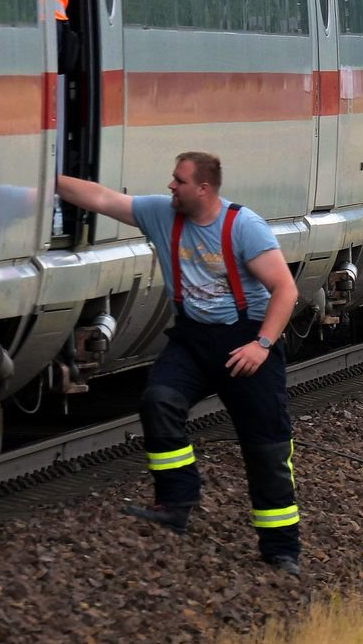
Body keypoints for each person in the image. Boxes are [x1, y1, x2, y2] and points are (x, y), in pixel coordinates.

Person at [56, 152, 306, 573]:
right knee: (159, 401)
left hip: (246, 342)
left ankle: (281, 549)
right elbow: (101, 199)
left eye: (179, 181)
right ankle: (176, 501)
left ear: (204, 189)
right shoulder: (161, 214)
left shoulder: (243, 227)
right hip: (193, 339)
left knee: (266, 447)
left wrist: (261, 345)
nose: (170, 187)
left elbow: (285, 290)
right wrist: (47, 178)